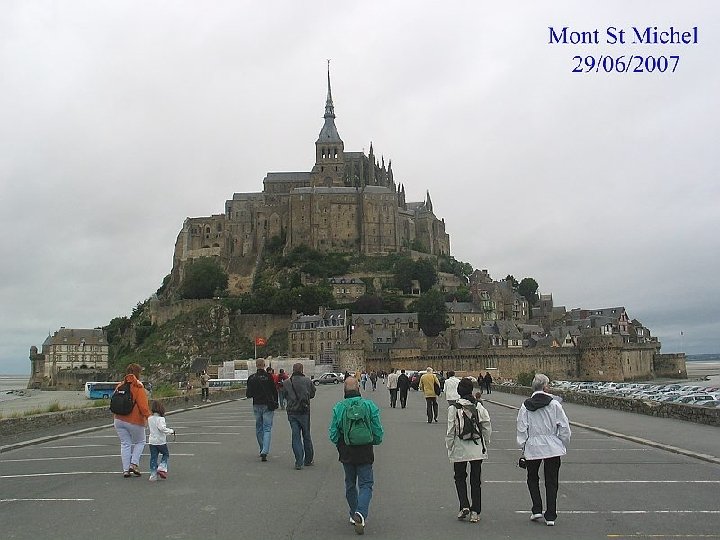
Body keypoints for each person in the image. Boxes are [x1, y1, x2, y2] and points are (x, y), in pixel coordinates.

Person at [328, 377, 384, 535]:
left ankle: (354, 513)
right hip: (365, 449)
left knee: (350, 483)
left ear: (344, 389)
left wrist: (338, 443)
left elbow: (333, 432)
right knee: (366, 484)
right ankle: (361, 512)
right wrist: (376, 440)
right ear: (359, 388)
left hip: (346, 449)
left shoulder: (339, 407)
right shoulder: (369, 405)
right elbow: (377, 429)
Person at [516, 373, 571, 527]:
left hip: (533, 445)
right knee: (551, 480)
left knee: (532, 477)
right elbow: (564, 427)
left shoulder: (526, 405)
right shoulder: (554, 405)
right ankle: (551, 515)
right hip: (552, 445)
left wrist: (523, 446)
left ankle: (537, 508)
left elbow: (521, 428)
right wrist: (562, 442)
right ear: (545, 387)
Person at [446, 378, 491, 523]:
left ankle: (464, 505)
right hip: (477, 447)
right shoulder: (479, 406)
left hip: (460, 447)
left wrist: (450, 446)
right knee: (475, 480)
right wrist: (485, 442)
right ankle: (475, 511)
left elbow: (451, 430)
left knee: (459, 477)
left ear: (459, 391)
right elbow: (486, 426)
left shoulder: (454, 408)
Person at [113, 363, 151, 478]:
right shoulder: (138, 387)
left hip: (118, 419)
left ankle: (125, 470)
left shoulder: (120, 385)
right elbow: (143, 406)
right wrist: (148, 417)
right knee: (140, 441)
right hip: (134, 419)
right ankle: (133, 464)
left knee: (125, 444)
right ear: (138, 373)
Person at [282, 362, 316, 470]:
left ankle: (298, 461)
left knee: (295, 436)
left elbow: (283, 395)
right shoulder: (307, 381)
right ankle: (308, 459)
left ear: (293, 370)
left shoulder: (286, 382)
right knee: (306, 435)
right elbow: (312, 394)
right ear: (302, 370)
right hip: (304, 411)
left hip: (292, 412)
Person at [246, 358, 278, 462]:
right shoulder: (268, 377)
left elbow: (248, 394)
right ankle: (265, 449)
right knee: (267, 428)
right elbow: (274, 390)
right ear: (264, 365)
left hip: (257, 404)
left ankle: (261, 448)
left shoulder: (252, 378)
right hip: (267, 405)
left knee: (259, 428)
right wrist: (275, 401)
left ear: (256, 365)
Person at [147, 400, 175, 481]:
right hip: (160, 441)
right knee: (165, 454)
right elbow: (162, 428)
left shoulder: (150, 418)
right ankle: (162, 467)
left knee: (153, 457)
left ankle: (153, 474)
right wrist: (170, 431)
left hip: (152, 441)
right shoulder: (161, 419)